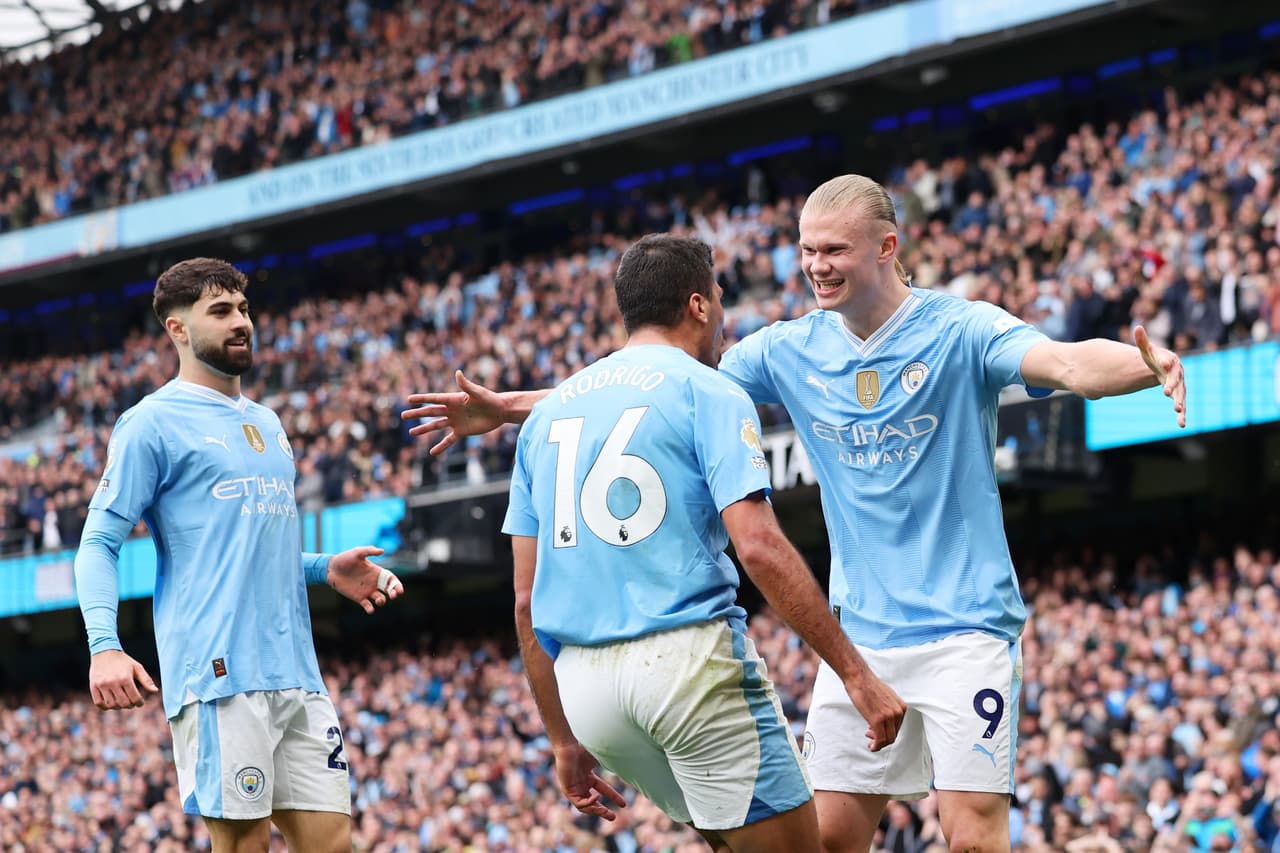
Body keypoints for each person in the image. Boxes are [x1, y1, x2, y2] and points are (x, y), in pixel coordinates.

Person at [402, 174, 1187, 853]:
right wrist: (508, 408)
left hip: (965, 631)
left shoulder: (960, 328)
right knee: (826, 841)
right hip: (862, 637)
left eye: (834, 250)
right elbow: (652, 381)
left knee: (972, 832)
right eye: (807, 250)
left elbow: (1070, 361)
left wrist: (1147, 364)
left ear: (886, 246)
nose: (815, 265)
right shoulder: (787, 349)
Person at [501, 233, 906, 852]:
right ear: (697, 306)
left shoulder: (548, 415)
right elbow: (761, 548)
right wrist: (855, 674)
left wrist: (561, 738)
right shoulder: (709, 389)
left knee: (733, 842)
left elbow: (526, 602)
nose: (721, 315)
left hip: (588, 693)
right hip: (684, 668)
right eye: (718, 298)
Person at [74, 258, 404, 853]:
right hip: (219, 674)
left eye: (244, 309)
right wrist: (105, 647)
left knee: (334, 845)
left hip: (297, 673)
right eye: (220, 311)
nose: (241, 322)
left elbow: (248, 547)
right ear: (177, 329)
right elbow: (98, 542)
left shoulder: (268, 422)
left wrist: (323, 569)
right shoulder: (151, 422)